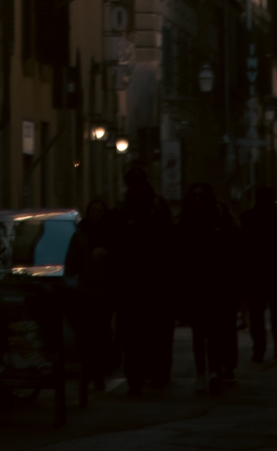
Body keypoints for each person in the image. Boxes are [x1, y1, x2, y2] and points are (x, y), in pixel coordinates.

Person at [111, 166, 177, 394]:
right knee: (137, 333)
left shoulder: (153, 207)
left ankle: (151, 374)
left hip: (152, 282)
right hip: (135, 283)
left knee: (151, 332)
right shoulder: (126, 210)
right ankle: (138, 376)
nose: (135, 188)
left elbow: (169, 243)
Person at [181, 182, 240, 391]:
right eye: (195, 196)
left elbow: (230, 254)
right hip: (196, 287)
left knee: (214, 332)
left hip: (216, 286)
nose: (198, 200)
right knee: (199, 333)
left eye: (201, 197)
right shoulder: (186, 223)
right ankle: (201, 372)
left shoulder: (219, 223)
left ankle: (214, 370)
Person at [67, 197, 117, 387]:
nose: (96, 215)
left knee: (102, 332)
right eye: (93, 211)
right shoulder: (80, 235)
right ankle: (88, 369)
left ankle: (100, 370)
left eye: (100, 211)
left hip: (106, 290)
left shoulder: (111, 235)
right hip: (86, 290)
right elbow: (71, 262)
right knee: (87, 332)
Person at [241, 183, 277, 363]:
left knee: (256, 316)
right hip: (275, 273)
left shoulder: (246, 218)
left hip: (254, 275)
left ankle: (259, 350)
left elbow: (241, 248)